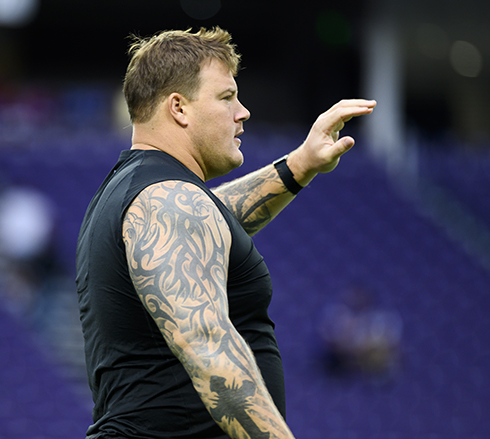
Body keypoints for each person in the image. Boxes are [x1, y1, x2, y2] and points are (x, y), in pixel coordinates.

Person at [75, 27, 376, 438]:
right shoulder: (166, 203)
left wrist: (300, 165)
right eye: (226, 97)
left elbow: (213, 218)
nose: (243, 112)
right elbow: (211, 354)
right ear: (179, 108)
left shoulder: (147, 193)